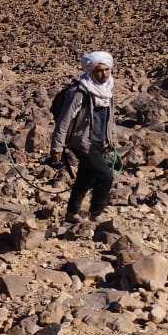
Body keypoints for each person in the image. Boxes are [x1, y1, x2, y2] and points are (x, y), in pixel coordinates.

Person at [50, 50, 118, 224]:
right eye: (99, 71)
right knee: (105, 176)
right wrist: (57, 147)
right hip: (82, 142)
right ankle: (96, 214)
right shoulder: (80, 91)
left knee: (86, 176)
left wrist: (112, 138)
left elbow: (110, 117)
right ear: (91, 71)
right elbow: (64, 120)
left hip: (100, 140)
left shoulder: (108, 88)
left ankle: (71, 213)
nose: (103, 74)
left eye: (106, 70)